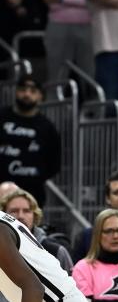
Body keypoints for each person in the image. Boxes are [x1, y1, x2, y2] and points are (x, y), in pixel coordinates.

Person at [0, 76, 60, 207]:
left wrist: (35, 176)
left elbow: (54, 164)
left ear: (40, 96)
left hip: (32, 194)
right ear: (16, 92)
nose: (27, 94)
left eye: (32, 91)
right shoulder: (2, 117)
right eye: (23, 89)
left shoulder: (47, 127)